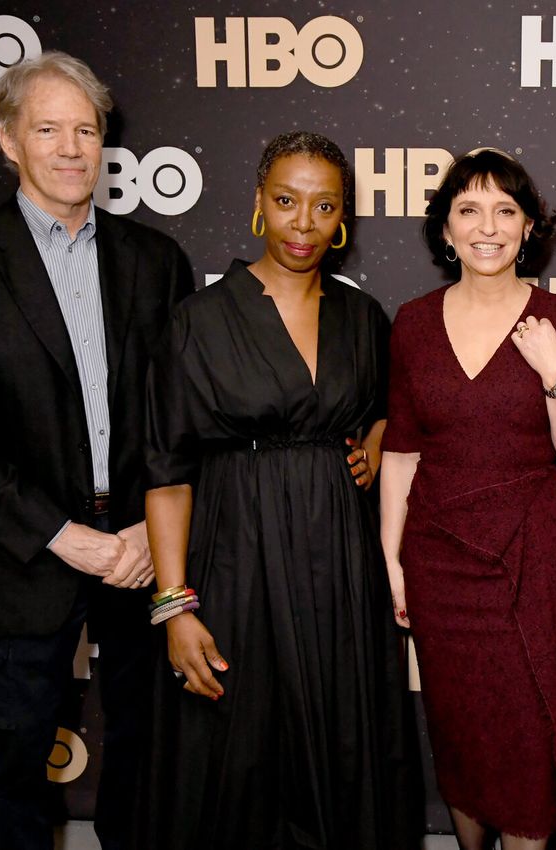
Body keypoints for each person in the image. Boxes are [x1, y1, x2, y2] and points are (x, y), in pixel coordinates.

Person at [0, 52, 193, 849]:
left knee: (146, 753)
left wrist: (142, 531)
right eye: (48, 128)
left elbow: (181, 414)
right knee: (21, 762)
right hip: (24, 555)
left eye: (86, 130)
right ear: (8, 141)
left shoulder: (155, 261)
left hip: (141, 553)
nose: (70, 148)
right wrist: (66, 537)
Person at [138, 131, 417, 849]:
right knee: (241, 754)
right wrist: (175, 606)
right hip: (238, 561)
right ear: (259, 203)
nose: (304, 224)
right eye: (288, 201)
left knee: (342, 739)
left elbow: (393, 412)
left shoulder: (363, 318)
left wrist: (376, 441)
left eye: (325, 207)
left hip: (340, 569)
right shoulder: (200, 320)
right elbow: (166, 473)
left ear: (343, 218)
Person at [379, 148, 556, 850]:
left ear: (529, 226)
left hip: (530, 562)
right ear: (444, 231)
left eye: (505, 210)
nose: (488, 227)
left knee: (529, 741)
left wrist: (555, 374)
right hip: (439, 561)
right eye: (468, 210)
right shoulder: (413, 324)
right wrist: (393, 561)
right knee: (463, 734)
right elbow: (401, 453)